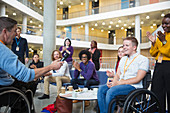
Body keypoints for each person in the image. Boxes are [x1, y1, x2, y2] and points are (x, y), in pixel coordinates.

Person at [0, 17, 63, 112]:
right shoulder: (3, 50)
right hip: (3, 89)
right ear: (5, 32)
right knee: (29, 87)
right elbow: (26, 75)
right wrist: (51, 67)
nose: (16, 34)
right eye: (14, 31)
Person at [97, 37, 149, 113]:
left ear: (134, 47)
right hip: (120, 85)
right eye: (123, 45)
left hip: (133, 86)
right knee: (101, 89)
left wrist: (118, 83)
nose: (124, 47)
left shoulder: (143, 59)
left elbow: (138, 78)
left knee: (111, 91)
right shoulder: (123, 59)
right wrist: (113, 83)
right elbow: (117, 75)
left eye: (127, 45)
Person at [146, 13, 170, 113]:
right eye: (163, 24)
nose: (164, 26)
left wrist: (163, 42)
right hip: (159, 65)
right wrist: (154, 43)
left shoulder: (163, 37)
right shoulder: (162, 35)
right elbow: (153, 53)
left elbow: (167, 52)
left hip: (169, 65)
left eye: (167, 24)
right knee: (156, 90)